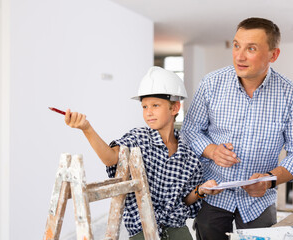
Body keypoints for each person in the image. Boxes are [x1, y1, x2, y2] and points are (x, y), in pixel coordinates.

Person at [181, 17, 293, 239]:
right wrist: (212, 150)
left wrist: (269, 180)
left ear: (273, 55)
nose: (239, 56)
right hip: (213, 193)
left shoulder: (292, 95)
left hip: (259, 203)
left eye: (251, 48)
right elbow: (190, 131)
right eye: (236, 45)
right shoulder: (210, 84)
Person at [64, 66, 222, 240]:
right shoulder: (138, 138)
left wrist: (201, 190)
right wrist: (87, 128)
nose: (149, 112)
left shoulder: (188, 154)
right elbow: (110, 158)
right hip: (143, 232)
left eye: (155, 105)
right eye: (144, 106)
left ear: (174, 107)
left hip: (178, 232)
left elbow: (184, 200)